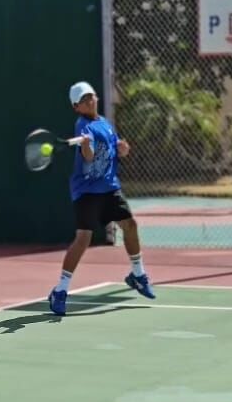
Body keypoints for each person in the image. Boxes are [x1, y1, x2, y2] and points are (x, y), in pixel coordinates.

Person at [48, 81, 156, 316]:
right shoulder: (83, 126)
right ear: (77, 107)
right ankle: (60, 291)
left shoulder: (105, 123)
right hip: (87, 191)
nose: (90, 101)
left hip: (109, 187)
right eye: (84, 100)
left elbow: (116, 147)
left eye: (91, 97)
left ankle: (138, 275)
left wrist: (122, 148)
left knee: (130, 225)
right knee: (83, 238)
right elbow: (87, 157)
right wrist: (86, 146)